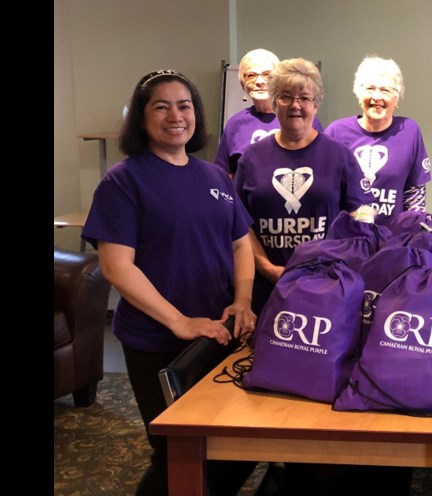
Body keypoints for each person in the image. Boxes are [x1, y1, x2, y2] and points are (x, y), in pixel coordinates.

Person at [82, 70, 256, 496]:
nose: (175, 115)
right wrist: (178, 321)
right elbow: (116, 265)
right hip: (157, 341)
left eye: (184, 105)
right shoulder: (123, 181)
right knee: (176, 456)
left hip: (218, 334)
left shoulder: (214, 177)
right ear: (141, 120)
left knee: (235, 448)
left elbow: (240, 246)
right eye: (161, 106)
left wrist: (244, 301)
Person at [233, 57, 365, 315]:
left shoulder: (339, 155)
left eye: (304, 98)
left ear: (316, 104)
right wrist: (266, 267)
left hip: (327, 286)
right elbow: (241, 223)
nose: (295, 105)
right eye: (285, 97)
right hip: (267, 289)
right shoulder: (252, 157)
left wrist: (335, 265)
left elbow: (357, 219)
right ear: (273, 102)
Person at [325, 55, 431, 220]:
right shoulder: (336, 132)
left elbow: (415, 190)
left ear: (397, 99)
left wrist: (412, 229)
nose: (377, 97)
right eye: (370, 89)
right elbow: (326, 189)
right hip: (348, 239)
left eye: (385, 90)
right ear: (359, 94)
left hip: (393, 239)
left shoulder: (410, 131)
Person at [214, 48, 323, 176]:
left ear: (279, 82)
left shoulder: (302, 117)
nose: (259, 82)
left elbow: (323, 164)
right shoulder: (235, 124)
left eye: (267, 75)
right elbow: (222, 174)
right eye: (251, 75)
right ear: (243, 85)